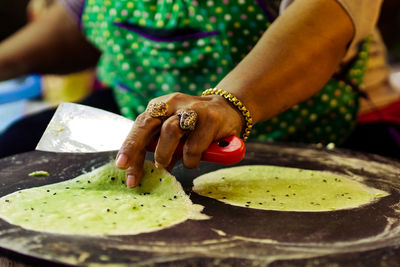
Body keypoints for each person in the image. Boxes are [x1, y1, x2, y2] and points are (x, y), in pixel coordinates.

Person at [0, 0, 395, 187]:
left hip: (325, 125)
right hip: (147, 122)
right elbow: (80, 16)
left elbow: (322, 18)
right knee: (18, 149)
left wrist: (224, 104)